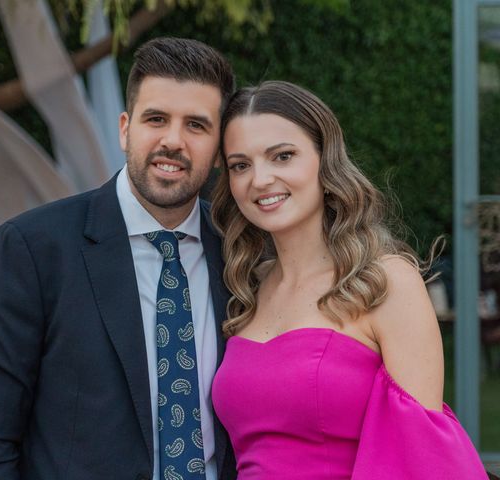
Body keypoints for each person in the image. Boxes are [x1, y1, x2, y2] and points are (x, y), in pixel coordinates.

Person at [0, 37, 238, 479]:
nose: (172, 141)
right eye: (155, 119)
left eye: (196, 125)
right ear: (125, 129)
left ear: (219, 148)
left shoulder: (240, 253)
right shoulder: (32, 248)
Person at [209, 81, 488, 479]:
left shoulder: (386, 282)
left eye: (282, 156)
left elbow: (421, 458)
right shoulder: (245, 288)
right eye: (240, 165)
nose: (261, 179)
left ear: (325, 160)